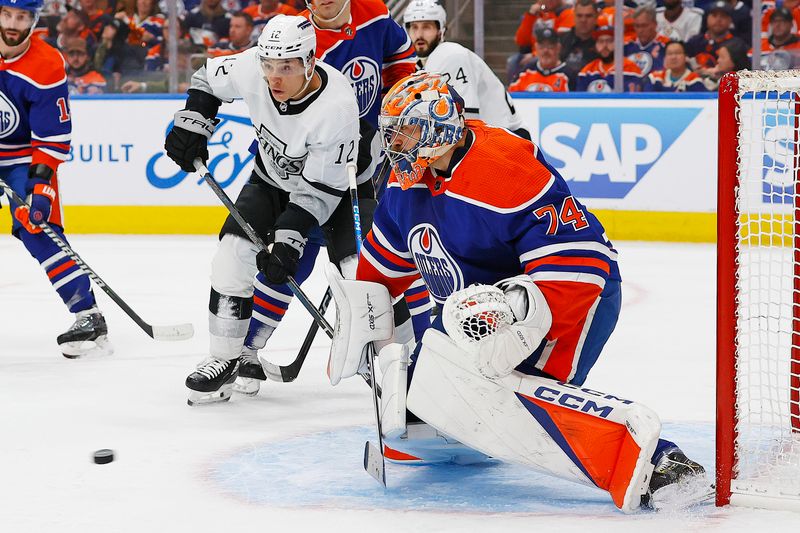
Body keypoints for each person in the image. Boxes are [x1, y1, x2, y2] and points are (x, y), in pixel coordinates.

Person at [324, 70, 708, 512]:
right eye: (394, 134)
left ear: (437, 127)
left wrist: (510, 309)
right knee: (431, 387)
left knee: (509, 397)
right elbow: (382, 266)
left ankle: (661, 461)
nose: (395, 146)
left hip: (569, 299)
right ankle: (458, 424)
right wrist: (360, 318)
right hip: (476, 313)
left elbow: (579, 261)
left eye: (406, 131)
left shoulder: (506, 166)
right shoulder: (404, 182)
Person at [164, 15, 366, 405]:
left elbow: (320, 191)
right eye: (269, 65)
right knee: (231, 259)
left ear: (310, 62)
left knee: (361, 274)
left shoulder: (336, 107)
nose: (274, 78)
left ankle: (395, 365)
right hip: (270, 179)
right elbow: (207, 77)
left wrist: (289, 240)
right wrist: (195, 121)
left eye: (286, 67)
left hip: (340, 189)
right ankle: (226, 359)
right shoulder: (252, 64)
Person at [0, 0, 111, 358]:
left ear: (34, 20)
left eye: (21, 17)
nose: (12, 24)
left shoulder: (46, 64)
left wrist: (41, 188)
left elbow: (51, 139)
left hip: (23, 155)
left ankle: (87, 314)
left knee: (38, 227)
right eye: (5, 14)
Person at [403, 0, 528, 138]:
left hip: (508, 139)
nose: (419, 34)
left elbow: (467, 119)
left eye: (426, 27)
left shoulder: (451, 55)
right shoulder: (418, 64)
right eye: (414, 27)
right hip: (491, 138)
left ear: (441, 31)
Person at [576, 20, 642, 92]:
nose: (604, 46)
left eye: (610, 41)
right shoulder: (587, 71)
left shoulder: (630, 68)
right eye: (600, 41)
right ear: (595, 45)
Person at [685, 1, 744, 74]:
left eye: (723, 16)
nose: (718, 20)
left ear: (730, 20)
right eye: (714, 15)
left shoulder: (737, 46)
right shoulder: (694, 41)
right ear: (707, 18)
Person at [508, 27, 570, 92]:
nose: (545, 51)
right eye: (542, 46)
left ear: (558, 48)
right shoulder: (525, 72)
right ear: (536, 48)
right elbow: (511, 96)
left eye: (550, 47)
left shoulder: (568, 75)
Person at [642, 40, 707, 92]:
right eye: (669, 54)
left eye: (678, 53)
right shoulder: (655, 78)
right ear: (665, 58)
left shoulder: (694, 81)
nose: (673, 57)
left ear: (686, 57)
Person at [624, 5, 670, 78]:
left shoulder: (667, 45)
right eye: (637, 26)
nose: (640, 30)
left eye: (644, 25)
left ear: (655, 24)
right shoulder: (625, 45)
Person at [559, 0, 598, 82]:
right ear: (574, 16)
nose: (583, 20)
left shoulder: (603, 41)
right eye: (579, 16)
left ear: (596, 17)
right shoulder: (561, 40)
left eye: (588, 16)